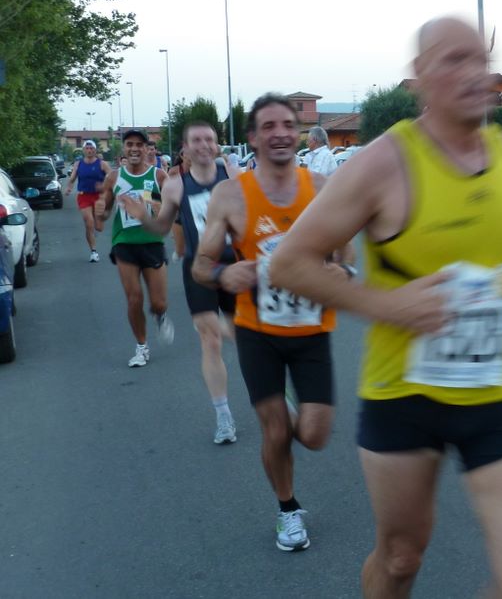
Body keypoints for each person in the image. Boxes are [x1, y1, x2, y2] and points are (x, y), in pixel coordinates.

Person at [269, 16, 502, 598]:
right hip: (405, 395)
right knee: (402, 557)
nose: (473, 73)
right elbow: (289, 262)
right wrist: (388, 305)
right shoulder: (384, 162)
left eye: (479, 59)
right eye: (453, 60)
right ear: (419, 77)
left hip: (498, 392)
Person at [192, 94, 341, 551]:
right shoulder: (230, 195)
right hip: (257, 331)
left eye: (287, 125)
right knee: (275, 430)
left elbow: (345, 256)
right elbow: (200, 264)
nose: (280, 133)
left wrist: (341, 272)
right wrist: (223, 274)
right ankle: (287, 511)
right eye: (268, 126)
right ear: (253, 138)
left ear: (298, 134)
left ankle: (290, 416)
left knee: (314, 435)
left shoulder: (322, 187)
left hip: (311, 329)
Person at [121, 121, 241, 445]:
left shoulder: (233, 175)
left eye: (209, 139)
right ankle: (223, 416)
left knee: (241, 334)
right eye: (196, 140)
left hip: (236, 266)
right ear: (185, 148)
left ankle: (269, 392)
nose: (203, 145)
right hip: (199, 268)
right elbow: (162, 228)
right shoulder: (175, 186)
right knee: (210, 339)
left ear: (216, 145)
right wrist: (142, 215)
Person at [98, 129, 175, 367]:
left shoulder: (158, 176)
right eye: (129, 144)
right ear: (124, 149)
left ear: (146, 149)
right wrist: (100, 212)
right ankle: (141, 347)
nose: (134, 148)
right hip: (124, 243)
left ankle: (160, 315)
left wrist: (158, 209)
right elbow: (104, 215)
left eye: (139, 145)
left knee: (158, 302)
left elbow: (169, 212)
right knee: (134, 298)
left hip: (152, 242)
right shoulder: (114, 178)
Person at [64, 140, 112, 262]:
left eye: (91, 148)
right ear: (84, 150)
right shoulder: (78, 164)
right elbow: (72, 178)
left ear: (95, 150)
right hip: (84, 196)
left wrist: (106, 186)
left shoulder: (102, 164)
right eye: (87, 148)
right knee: (88, 222)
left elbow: (112, 176)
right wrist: (69, 187)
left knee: (99, 227)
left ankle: (96, 226)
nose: (89, 150)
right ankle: (93, 251)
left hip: (99, 197)